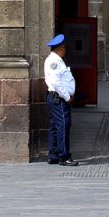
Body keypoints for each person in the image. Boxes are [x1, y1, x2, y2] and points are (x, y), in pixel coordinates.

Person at [43, 33, 78, 166]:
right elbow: (56, 82)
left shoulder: (57, 60)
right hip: (59, 98)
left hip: (57, 97)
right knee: (63, 125)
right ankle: (64, 156)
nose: (65, 50)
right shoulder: (54, 61)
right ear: (60, 48)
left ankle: (53, 154)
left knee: (55, 126)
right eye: (64, 47)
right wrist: (67, 96)